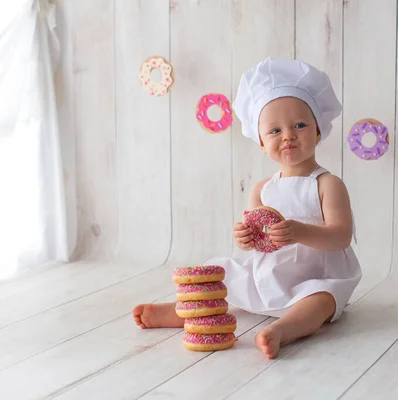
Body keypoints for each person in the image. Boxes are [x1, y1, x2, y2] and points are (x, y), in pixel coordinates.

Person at [133, 57, 362, 359]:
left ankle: (283, 329)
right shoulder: (262, 189)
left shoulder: (327, 184)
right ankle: (182, 311)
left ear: (318, 131)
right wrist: (245, 237)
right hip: (269, 274)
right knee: (221, 273)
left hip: (315, 276)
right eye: (275, 131)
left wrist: (300, 232)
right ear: (262, 144)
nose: (288, 135)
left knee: (323, 301)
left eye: (299, 125)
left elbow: (340, 237)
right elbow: (258, 242)